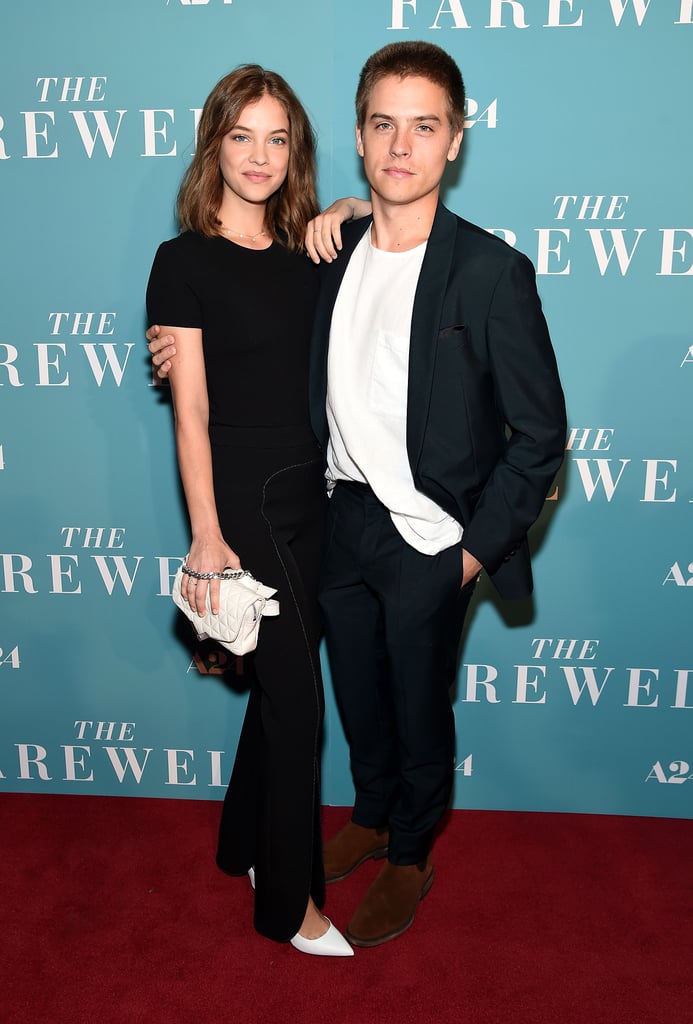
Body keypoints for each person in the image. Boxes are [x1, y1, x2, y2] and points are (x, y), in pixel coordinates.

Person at [151, 41, 567, 950]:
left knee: (420, 705)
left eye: (424, 126)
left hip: (431, 540)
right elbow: (239, 317)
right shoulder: (328, 249)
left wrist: (469, 552)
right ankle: (372, 816)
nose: (401, 146)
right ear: (356, 135)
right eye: (383, 124)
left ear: (454, 140)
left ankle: (412, 852)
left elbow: (538, 439)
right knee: (356, 698)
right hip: (335, 523)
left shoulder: (492, 273)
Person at [145, 65, 353, 957]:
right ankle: (290, 904)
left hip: (318, 492)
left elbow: (399, 222)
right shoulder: (181, 262)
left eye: (277, 138)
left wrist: (344, 207)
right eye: (241, 136)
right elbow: (188, 411)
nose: (259, 156)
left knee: (280, 686)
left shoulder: (316, 252)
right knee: (299, 704)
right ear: (214, 146)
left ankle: (245, 845)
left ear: (293, 149)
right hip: (242, 499)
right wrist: (205, 531)